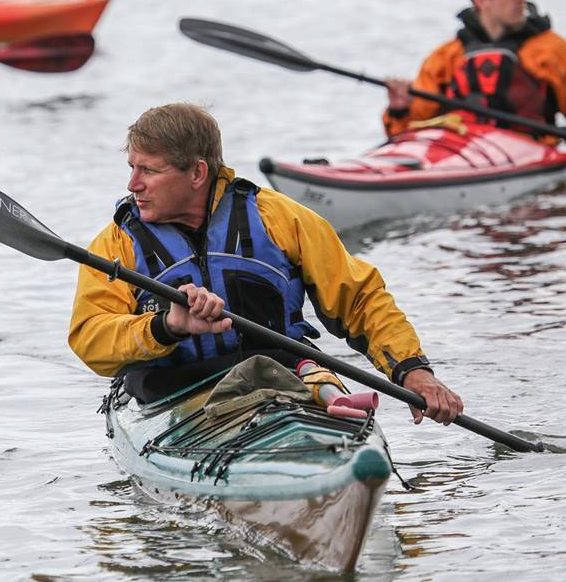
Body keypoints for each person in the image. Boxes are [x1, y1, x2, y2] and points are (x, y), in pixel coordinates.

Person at [68, 103, 464, 426]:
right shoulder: (116, 244)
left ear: (197, 173)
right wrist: (166, 325)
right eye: (132, 168)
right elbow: (91, 337)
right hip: (171, 390)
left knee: (292, 365)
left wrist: (413, 370)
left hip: (284, 376)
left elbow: (358, 299)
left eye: (149, 170)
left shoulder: (278, 218)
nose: (133, 184)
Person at [383, 0, 566, 168]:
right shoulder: (445, 57)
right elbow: (407, 131)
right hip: (459, 151)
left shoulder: (552, 50)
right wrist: (399, 110)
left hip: (529, 153)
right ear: (480, 0)